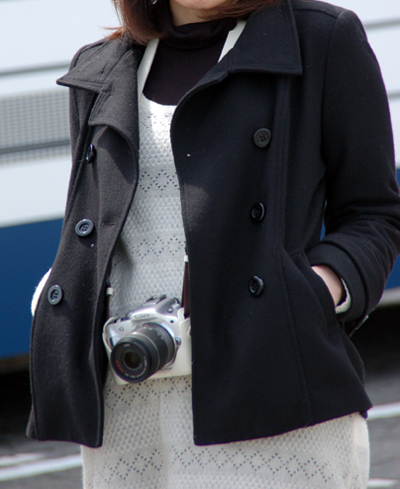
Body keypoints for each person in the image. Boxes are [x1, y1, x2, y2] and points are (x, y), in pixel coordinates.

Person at [28, 0, 400, 486]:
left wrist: (311, 294)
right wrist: (59, 294)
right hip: (127, 400)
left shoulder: (322, 39)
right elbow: (95, 223)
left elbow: (373, 214)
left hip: (271, 390)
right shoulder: (101, 66)